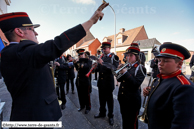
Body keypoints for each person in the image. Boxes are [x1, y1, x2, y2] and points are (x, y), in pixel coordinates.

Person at [0, 2, 109, 121]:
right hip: (35, 119)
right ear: (19, 32)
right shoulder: (20, 51)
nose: (36, 33)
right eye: (32, 29)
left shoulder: (14, 52)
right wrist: (91, 21)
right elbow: (57, 44)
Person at [142, 42, 194, 129]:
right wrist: (150, 91)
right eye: (159, 60)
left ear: (179, 64)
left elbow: (182, 124)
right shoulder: (162, 78)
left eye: (165, 61)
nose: (160, 64)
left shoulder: (184, 87)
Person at [117, 46, 146, 129]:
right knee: (125, 119)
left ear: (136, 56)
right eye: (127, 55)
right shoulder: (127, 66)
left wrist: (125, 73)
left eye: (131, 55)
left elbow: (136, 84)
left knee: (132, 122)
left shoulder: (140, 68)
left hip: (132, 100)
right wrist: (120, 71)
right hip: (123, 98)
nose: (128, 57)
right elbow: (119, 80)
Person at [94, 42, 119, 126]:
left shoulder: (114, 57)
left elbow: (114, 68)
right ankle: (102, 113)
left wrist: (102, 63)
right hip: (101, 82)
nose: (103, 50)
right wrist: (95, 67)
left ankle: (110, 116)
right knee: (101, 99)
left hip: (108, 83)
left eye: (105, 48)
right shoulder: (101, 56)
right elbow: (99, 69)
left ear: (109, 48)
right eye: (102, 49)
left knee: (109, 101)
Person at [74, 49, 91, 114]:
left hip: (85, 80)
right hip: (79, 80)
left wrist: (80, 63)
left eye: (81, 54)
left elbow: (87, 66)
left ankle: (88, 107)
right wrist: (75, 63)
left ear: (84, 54)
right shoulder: (78, 61)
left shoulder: (88, 60)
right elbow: (77, 69)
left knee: (86, 95)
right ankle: (82, 106)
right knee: (80, 94)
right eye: (79, 55)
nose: (80, 56)